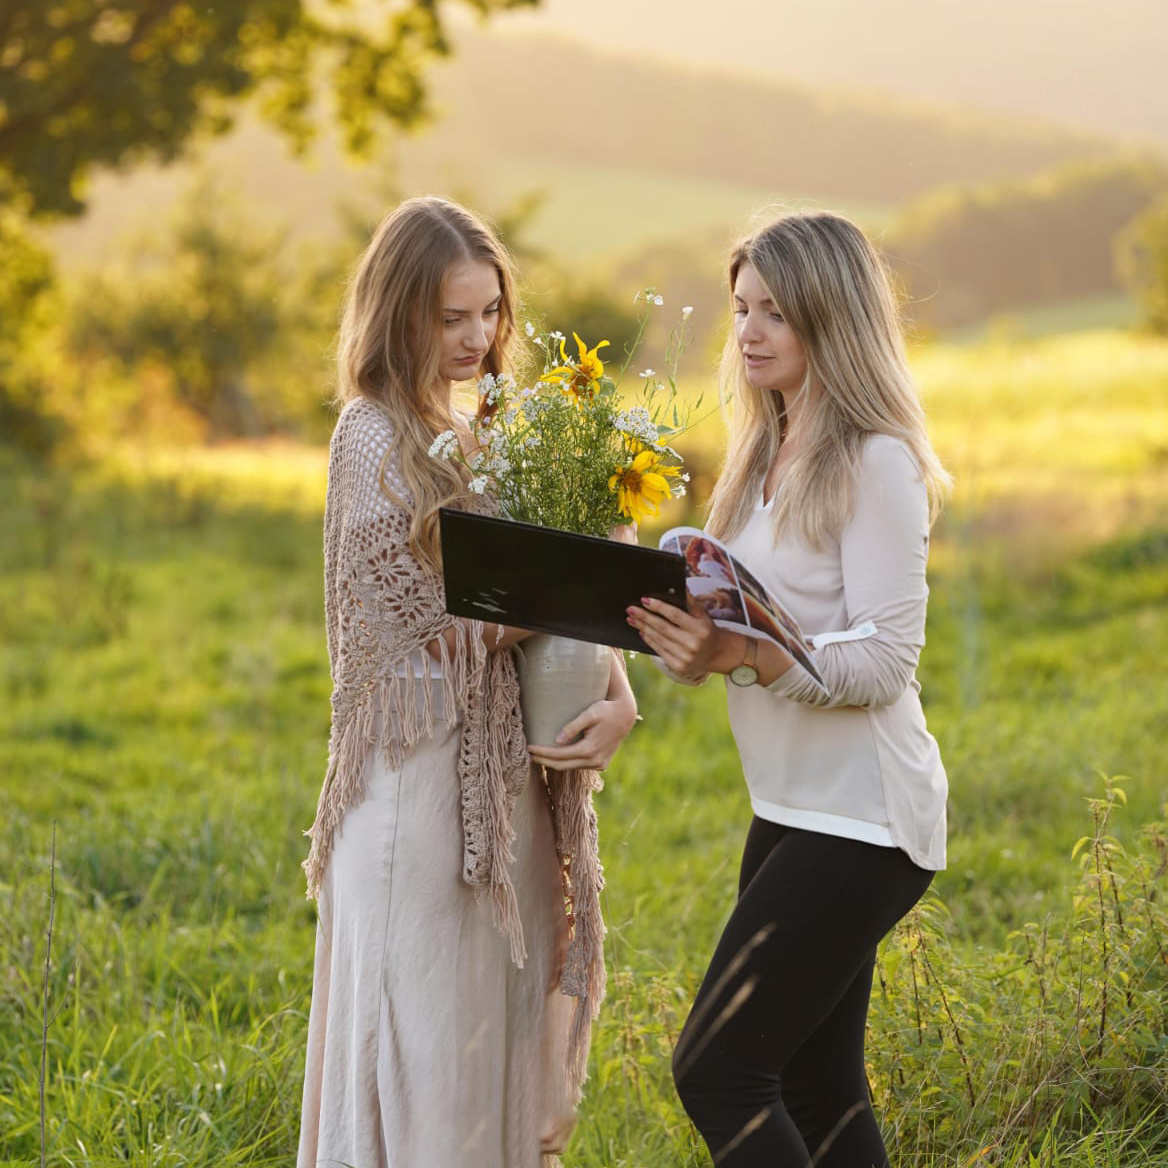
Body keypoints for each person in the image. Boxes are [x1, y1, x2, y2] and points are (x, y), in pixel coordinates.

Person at [297, 196, 638, 1168]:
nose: (475, 338)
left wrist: (616, 684)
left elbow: (536, 611)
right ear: (395, 312)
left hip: (503, 794)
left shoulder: (498, 424)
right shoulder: (369, 434)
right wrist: (584, 583)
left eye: (489, 313)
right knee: (424, 1061)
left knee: (488, 1044)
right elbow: (430, 626)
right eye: (449, 317)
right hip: (415, 796)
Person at [626, 210, 951, 1168]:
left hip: (867, 817)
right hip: (790, 803)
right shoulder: (762, 452)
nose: (752, 332)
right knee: (814, 1080)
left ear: (835, 319)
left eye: (778, 311)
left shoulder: (873, 459)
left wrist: (755, 660)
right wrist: (685, 640)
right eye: (742, 309)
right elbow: (741, 621)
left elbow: (888, 658)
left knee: (717, 1071)